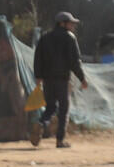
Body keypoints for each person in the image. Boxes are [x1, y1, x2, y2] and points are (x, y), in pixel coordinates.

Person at [33, 12, 89, 148]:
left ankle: (42, 123)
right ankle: (60, 140)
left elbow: (38, 58)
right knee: (64, 110)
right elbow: (75, 62)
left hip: (47, 80)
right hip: (62, 80)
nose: (73, 26)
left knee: (50, 107)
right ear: (62, 23)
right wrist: (82, 78)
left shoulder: (44, 38)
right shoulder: (70, 38)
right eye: (71, 23)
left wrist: (39, 76)